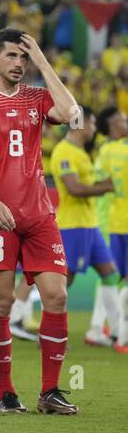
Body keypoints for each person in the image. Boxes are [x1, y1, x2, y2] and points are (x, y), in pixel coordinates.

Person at [0, 29, 81, 414]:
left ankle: (50, 392)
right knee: (1, 305)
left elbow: (72, 114)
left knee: (57, 295)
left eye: (23, 58)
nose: (18, 64)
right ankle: (5, 393)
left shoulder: (37, 98)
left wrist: (42, 60)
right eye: (12, 56)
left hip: (39, 215)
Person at [49, 107, 120, 349]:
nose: (93, 128)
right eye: (90, 123)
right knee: (63, 284)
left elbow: (86, 184)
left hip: (90, 225)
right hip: (73, 226)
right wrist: (108, 187)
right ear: (79, 124)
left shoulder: (80, 152)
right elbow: (75, 188)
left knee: (110, 273)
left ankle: (118, 333)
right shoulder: (64, 152)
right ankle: (52, 333)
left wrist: (102, 185)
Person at [94, 106, 128, 353]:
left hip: (110, 221)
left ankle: (102, 328)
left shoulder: (104, 151)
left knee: (109, 276)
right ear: (113, 126)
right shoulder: (116, 151)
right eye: (122, 120)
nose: (126, 122)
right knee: (113, 276)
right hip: (114, 223)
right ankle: (119, 334)